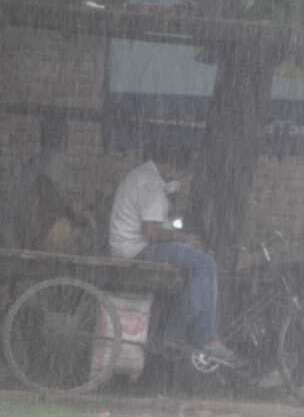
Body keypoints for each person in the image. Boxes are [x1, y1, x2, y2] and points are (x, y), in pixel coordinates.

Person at [108, 141, 235, 363]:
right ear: (170, 165)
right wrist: (184, 238)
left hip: (129, 245)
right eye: (179, 172)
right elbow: (150, 231)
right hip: (137, 250)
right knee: (206, 264)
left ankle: (194, 332)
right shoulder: (151, 183)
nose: (179, 178)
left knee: (201, 263)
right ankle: (191, 334)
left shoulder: (144, 175)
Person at [11, 114, 92, 253]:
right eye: (66, 134)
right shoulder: (58, 163)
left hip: (24, 236)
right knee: (86, 233)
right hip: (43, 236)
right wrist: (81, 217)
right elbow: (58, 199)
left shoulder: (30, 164)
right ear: (63, 137)